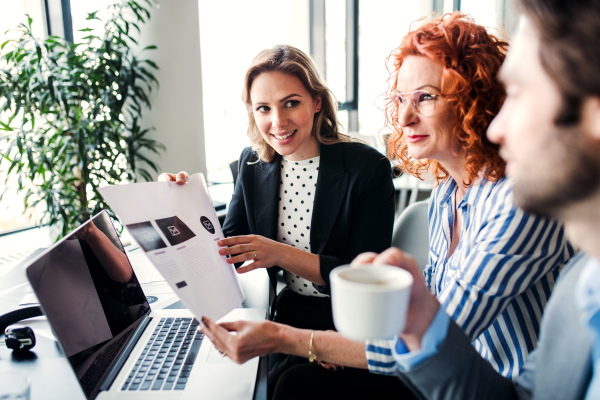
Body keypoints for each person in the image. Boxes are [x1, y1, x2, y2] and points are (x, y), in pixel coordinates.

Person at [199, 13, 575, 400]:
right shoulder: (449, 192)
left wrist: (301, 340)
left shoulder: (517, 201)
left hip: (500, 386)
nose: (406, 117)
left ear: (473, 100)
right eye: (401, 100)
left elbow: (439, 335)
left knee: (292, 386)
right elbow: (429, 310)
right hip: (449, 378)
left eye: (425, 97)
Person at [158, 45, 397, 394]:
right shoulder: (253, 165)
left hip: (353, 323)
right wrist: (182, 206)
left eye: (291, 103)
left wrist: (279, 253)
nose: (278, 122)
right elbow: (229, 250)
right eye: (264, 109)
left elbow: (366, 279)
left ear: (316, 102)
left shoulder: (368, 169)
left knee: (287, 386)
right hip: (286, 311)